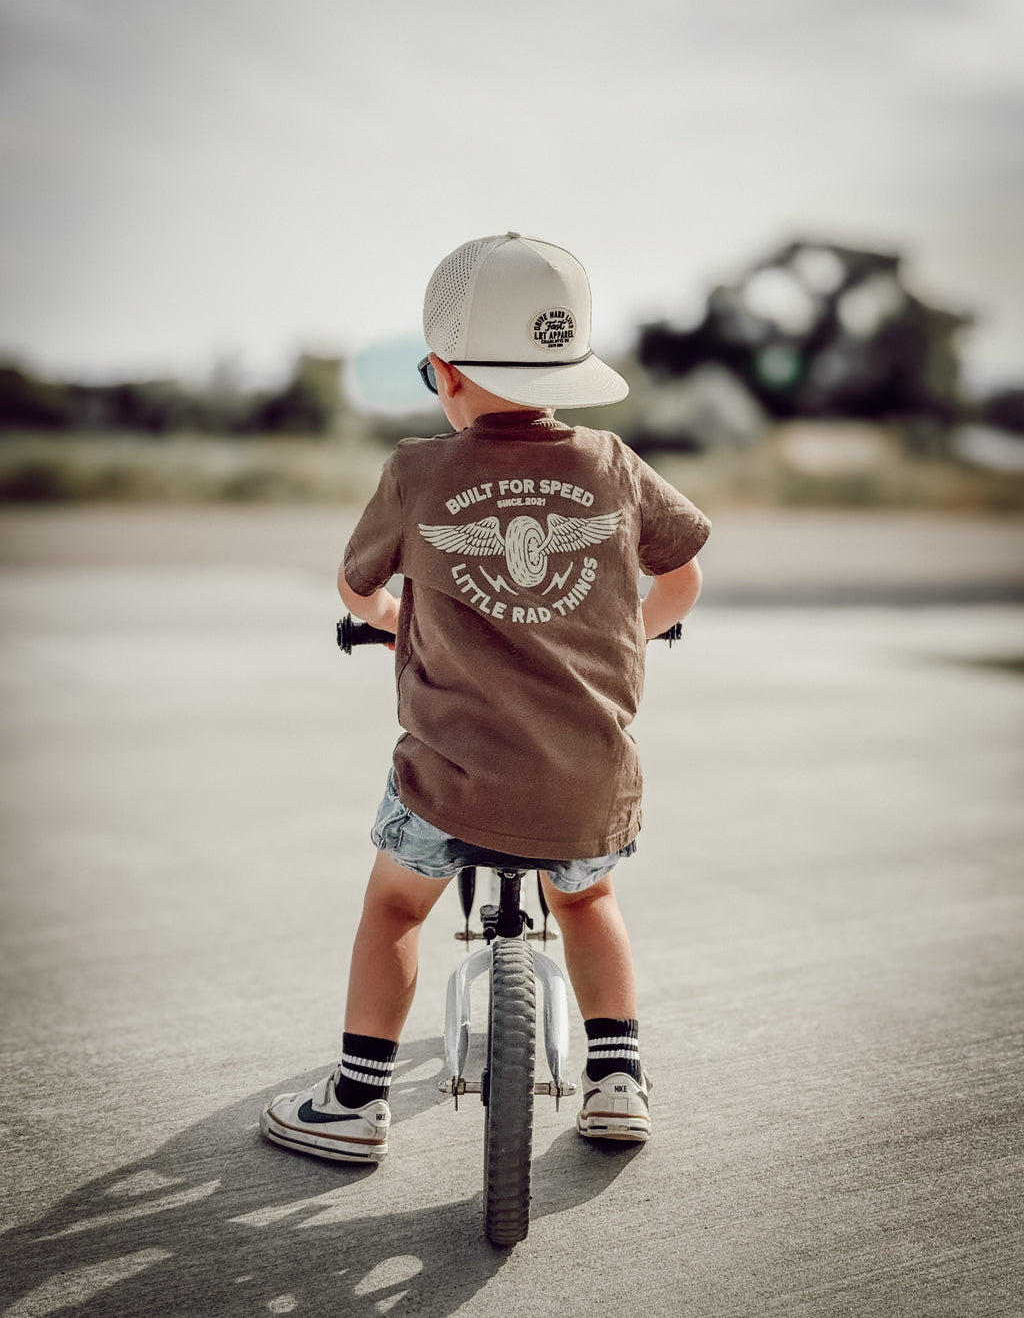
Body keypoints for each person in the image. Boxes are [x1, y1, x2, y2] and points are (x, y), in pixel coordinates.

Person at [261, 232, 709, 1163]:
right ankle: (618, 1079)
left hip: (447, 782)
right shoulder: (613, 465)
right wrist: (634, 629)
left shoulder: (418, 473)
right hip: (586, 779)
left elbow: (355, 587)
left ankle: (355, 1097)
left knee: (394, 907)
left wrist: (391, 619)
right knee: (588, 901)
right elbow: (683, 577)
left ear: (445, 375)